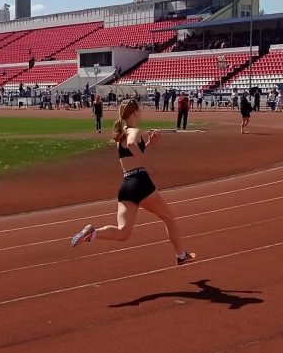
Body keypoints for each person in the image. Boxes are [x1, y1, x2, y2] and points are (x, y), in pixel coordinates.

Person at [70, 99, 195, 266]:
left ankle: (93, 233)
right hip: (141, 181)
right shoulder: (134, 131)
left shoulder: (120, 134)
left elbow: (130, 152)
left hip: (127, 185)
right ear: (135, 112)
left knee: (123, 232)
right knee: (169, 218)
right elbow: (131, 145)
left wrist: (150, 144)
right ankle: (181, 255)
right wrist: (146, 163)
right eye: (140, 111)